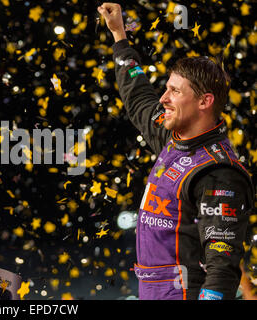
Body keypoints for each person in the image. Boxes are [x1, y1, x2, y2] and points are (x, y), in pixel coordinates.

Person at [97, 3, 255, 300]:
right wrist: (119, 35)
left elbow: (222, 267)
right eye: (167, 88)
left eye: (175, 91)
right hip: (153, 291)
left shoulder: (218, 174)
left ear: (204, 102)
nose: (164, 98)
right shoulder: (173, 137)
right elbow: (137, 96)